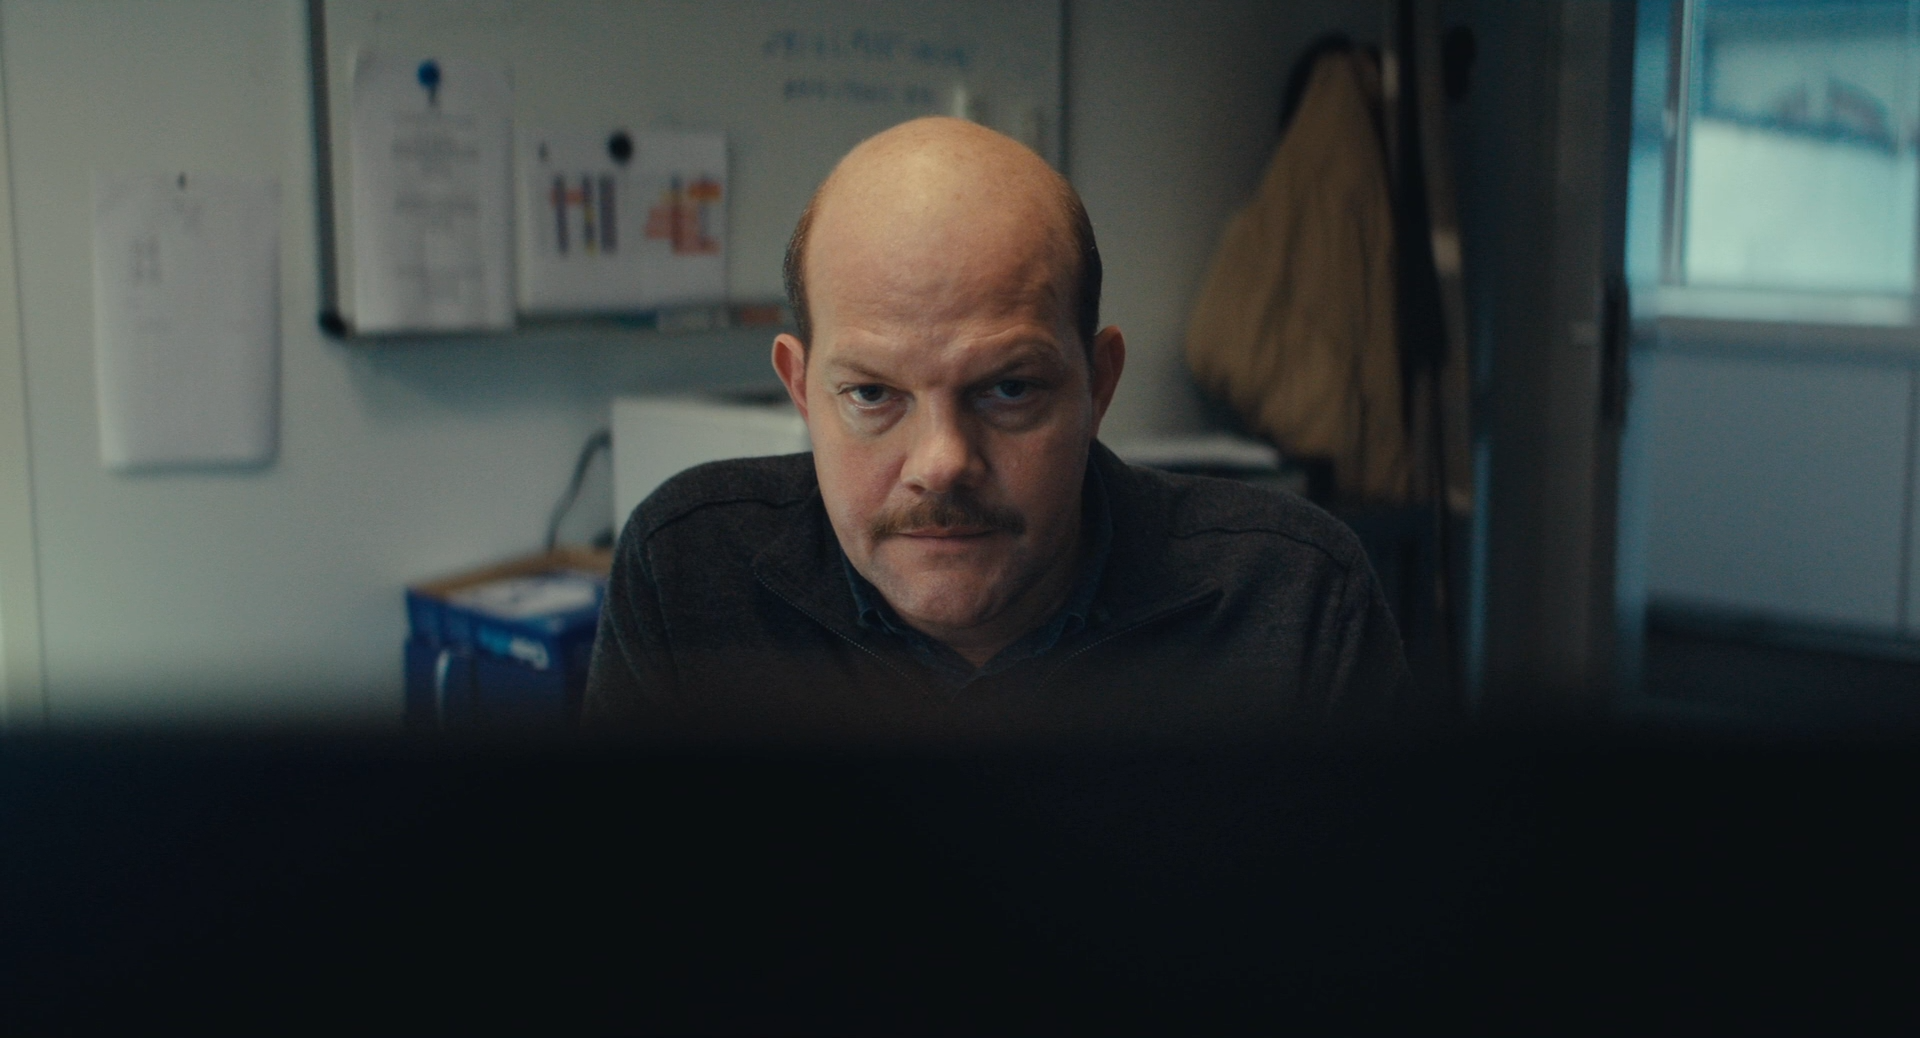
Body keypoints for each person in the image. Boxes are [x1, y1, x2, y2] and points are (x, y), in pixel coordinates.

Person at [582, 116, 1417, 731]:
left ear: (1099, 383)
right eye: (872, 395)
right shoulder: (686, 577)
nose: (942, 462)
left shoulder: (1294, 603)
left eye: (1009, 388)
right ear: (802, 392)